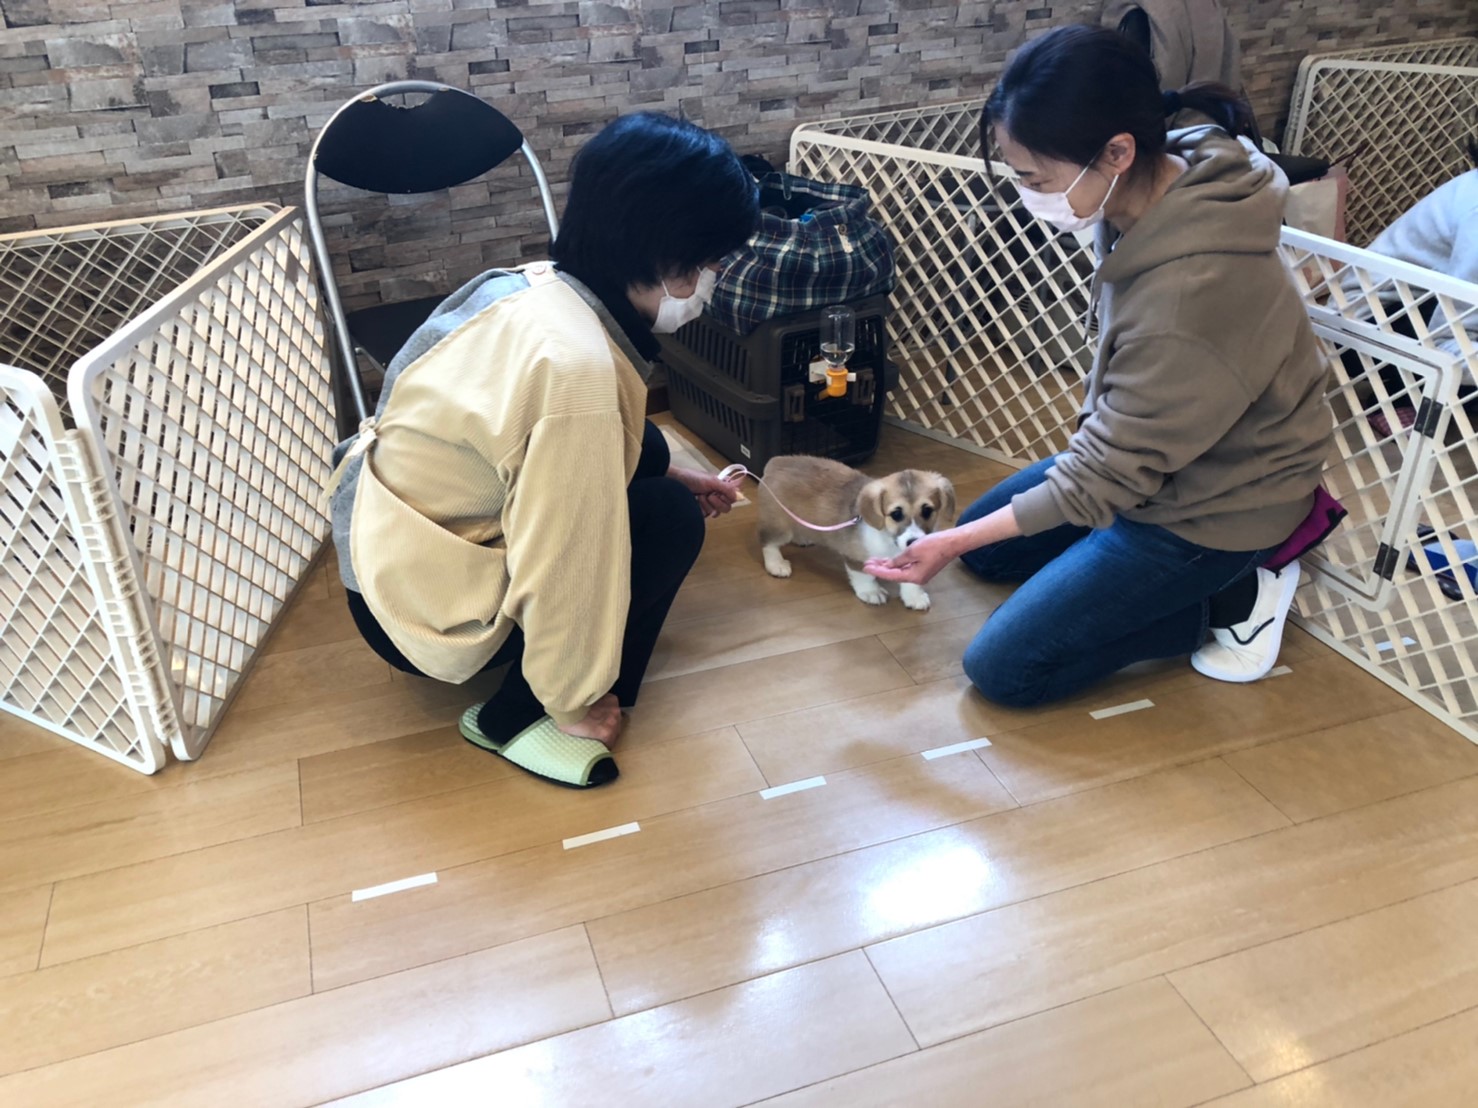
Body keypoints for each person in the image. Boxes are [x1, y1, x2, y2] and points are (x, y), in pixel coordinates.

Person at [868, 24, 1334, 705]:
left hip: (1215, 512)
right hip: (1153, 467)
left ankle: (1232, 600)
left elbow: (1104, 475)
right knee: (986, 550)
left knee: (1005, 670)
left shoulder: (1191, 297)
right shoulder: (1163, 176)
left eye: (1035, 179)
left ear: (1117, 152)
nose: (1028, 195)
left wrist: (954, 541)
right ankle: (1110, 575)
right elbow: (1117, 455)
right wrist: (967, 539)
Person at [328, 112, 758, 788]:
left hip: (387, 554)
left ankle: (564, 682)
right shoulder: (576, 373)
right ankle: (512, 716)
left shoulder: (534, 287)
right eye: (712, 262)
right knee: (666, 524)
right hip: (419, 609)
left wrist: (668, 468)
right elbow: (568, 560)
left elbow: (546, 438)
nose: (715, 277)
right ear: (668, 254)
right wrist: (570, 698)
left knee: (649, 470)